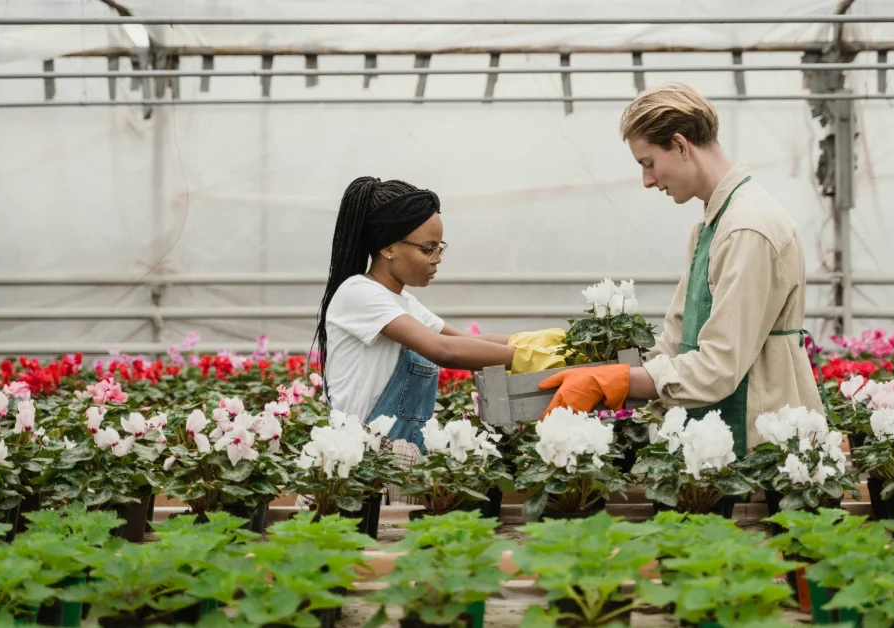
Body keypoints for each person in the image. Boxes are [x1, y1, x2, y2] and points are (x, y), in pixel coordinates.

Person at [539, 83, 826, 462]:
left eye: (648, 163)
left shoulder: (748, 228)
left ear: (679, 145)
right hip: (712, 432)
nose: (648, 180)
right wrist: (588, 362)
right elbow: (675, 343)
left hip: (760, 441)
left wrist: (618, 381)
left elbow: (719, 366)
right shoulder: (711, 225)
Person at [316, 176, 565, 452]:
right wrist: (532, 359)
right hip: (361, 462)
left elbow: (468, 342)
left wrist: (552, 344)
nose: (438, 258)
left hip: (401, 460)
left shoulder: (404, 303)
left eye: (439, 247)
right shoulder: (358, 293)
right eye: (428, 249)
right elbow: (444, 350)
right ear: (388, 247)